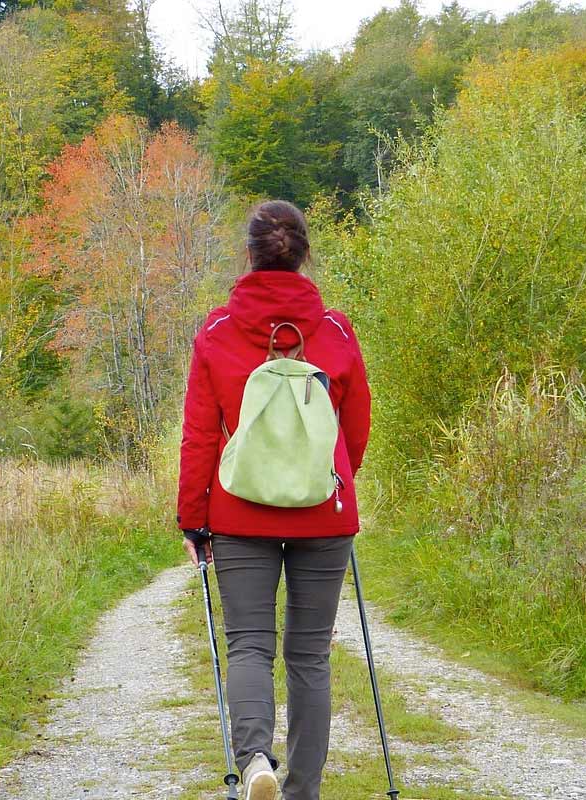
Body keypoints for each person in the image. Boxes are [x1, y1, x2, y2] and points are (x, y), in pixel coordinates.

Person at [177, 199, 372, 800]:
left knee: (249, 645)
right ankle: (302, 791)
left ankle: (256, 759)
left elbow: (200, 435)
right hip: (324, 514)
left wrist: (193, 519)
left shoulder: (217, 332)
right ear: (305, 255)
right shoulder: (336, 332)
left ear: (249, 254)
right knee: (310, 656)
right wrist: (332, 481)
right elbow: (356, 427)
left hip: (239, 512)